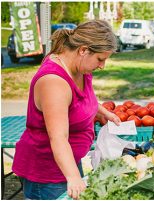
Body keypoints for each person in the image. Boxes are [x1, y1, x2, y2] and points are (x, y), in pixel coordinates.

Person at [12, 20, 121, 200]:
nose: (102, 65)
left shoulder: (79, 67)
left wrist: (101, 111)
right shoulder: (54, 82)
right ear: (83, 50)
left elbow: (77, 102)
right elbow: (58, 137)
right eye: (100, 59)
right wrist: (73, 177)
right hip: (47, 174)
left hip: (68, 162)